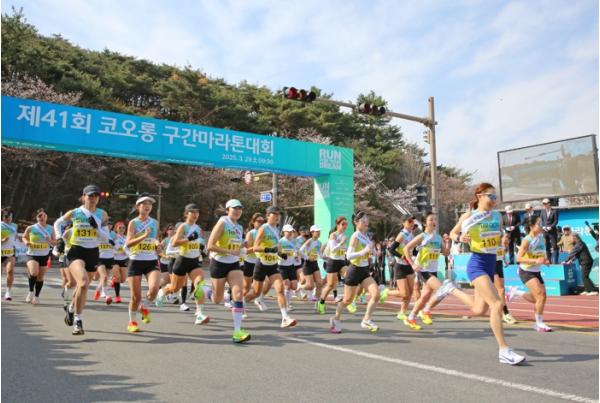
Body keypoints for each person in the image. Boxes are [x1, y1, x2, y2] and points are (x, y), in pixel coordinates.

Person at [438, 183, 525, 364]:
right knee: (497, 304)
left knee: (479, 309)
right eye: (491, 196)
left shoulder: (497, 216)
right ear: (480, 196)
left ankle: (450, 289)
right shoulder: (469, 216)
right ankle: (504, 350)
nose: (494, 200)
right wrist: (460, 238)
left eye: (495, 197)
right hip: (477, 264)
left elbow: (499, 236)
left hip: (491, 263)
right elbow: (452, 233)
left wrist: (503, 240)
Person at [53, 185, 110, 335]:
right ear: (84, 197)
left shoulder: (102, 214)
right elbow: (57, 223)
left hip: (93, 253)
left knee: (82, 288)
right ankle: (78, 321)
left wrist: (96, 228)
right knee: (83, 283)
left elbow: (106, 238)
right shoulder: (75, 212)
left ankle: (71, 308)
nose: (93, 199)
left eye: (96, 196)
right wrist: (59, 239)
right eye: (90, 196)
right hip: (76, 251)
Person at [155, 204, 209, 327]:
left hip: (194, 261)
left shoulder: (198, 228)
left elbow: (198, 242)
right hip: (182, 260)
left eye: (197, 212)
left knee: (199, 285)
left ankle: (200, 314)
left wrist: (202, 249)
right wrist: (189, 238)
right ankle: (163, 291)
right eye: (192, 212)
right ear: (186, 214)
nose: (195, 214)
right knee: (174, 288)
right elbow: (174, 243)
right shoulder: (183, 227)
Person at [329, 211, 383, 333]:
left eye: (367, 220)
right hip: (354, 271)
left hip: (364, 271)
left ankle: (366, 319)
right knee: (347, 301)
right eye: (363, 220)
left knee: (376, 294)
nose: (366, 222)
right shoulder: (355, 236)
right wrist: (364, 252)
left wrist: (375, 251)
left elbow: (370, 252)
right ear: (356, 222)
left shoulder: (366, 237)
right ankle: (335, 319)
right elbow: (349, 256)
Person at [206, 199, 251, 343]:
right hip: (218, 263)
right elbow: (210, 245)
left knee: (238, 294)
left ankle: (237, 331)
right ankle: (205, 289)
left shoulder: (239, 227)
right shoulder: (222, 222)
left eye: (240, 208)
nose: (237, 211)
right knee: (217, 299)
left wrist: (242, 246)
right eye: (234, 208)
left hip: (234, 264)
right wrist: (230, 251)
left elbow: (235, 246)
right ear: (227, 210)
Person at [246, 205, 296, 328]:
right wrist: (268, 249)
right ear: (268, 216)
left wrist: (281, 254)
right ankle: (240, 302)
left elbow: (277, 246)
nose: (278, 216)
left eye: (279, 214)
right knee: (256, 292)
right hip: (262, 263)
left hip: (273, 265)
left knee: (280, 289)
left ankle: (285, 318)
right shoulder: (263, 228)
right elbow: (255, 247)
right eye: (275, 214)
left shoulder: (277, 230)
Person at [401, 212, 447, 329]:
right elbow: (406, 249)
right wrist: (412, 264)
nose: (434, 221)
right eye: (431, 220)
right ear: (425, 223)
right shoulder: (422, 236)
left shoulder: (438, 237)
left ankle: (411, 318)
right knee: (443, 289)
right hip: (423, 270)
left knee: (425, 296)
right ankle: (426, 310)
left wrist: (448, 242)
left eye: (435, 219)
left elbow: (446, 253)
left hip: (433, 270)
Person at [508, 215, 553, 332]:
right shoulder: (527, 240)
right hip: (526, 271)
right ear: (532, 226)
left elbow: (540, 254)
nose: (542, 225)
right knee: (541, 296)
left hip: (536, 271)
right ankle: (539, 323)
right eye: (539, 224)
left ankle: (516, 292)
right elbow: (518, 258)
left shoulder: (541, 238)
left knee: (539, 298)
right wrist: (535, 261)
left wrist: (545, 260)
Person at [125, 195, 162, 333]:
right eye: (144, 204)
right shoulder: (133, 223)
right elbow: (128, 243)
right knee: (136, 297)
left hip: (151, 260)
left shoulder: (155, 222)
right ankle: (132, 322)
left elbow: (155, 239)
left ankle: (143, 307)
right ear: (137, 207)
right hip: (136, 260)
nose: (147, 206)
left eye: (150, 204)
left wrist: (158, 245)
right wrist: (144, 236)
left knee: (154, 289)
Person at [386, 215, 416, 322]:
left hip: (409, 265)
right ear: (404, 223)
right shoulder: (402, 234)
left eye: (412, 221)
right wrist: (402, 256)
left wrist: (419, 249)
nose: (412, 223)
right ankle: (386, 292)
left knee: (410, 292)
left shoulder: (411, 234)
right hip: (400, 266)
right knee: (404, 293)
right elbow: (391, 249)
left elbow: (414, 251)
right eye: (409, 221)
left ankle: (402, 313)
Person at [23, 208, 56, 305]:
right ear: (36, 218)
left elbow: (55, 242)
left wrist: (49, 240)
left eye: (44, 216)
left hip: (44, 255)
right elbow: (24, 237)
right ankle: (30, 291)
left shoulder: (51, 228)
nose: (42, 218)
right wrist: (26, 242)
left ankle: (36, 297)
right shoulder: (31, 228)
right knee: (34, 273)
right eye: (39, 216)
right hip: (32, 254)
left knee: (40, 277)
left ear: (46, 217)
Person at [318, 216, 348, 314]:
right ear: (337, 225)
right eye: (343, 224)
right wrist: (341, 243)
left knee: (349, 278)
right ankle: (321, 302)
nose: (345, 226)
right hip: (332, 262)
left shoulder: (344, 236)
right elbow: (333, 249)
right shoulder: (333, 235)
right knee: (330, 285)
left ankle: (349, 300)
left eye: (346, 224)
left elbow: (344, 250)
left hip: (341, 262)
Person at [299, 225, 325, 308]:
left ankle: (317, 303)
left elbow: (320, 254)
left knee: (320, 284)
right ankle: (299, 287)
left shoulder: (319, 243)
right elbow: (300, 251)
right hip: (307, 264)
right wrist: (307, 257)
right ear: (312, 232)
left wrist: (326, 258)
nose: (318, 233)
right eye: (317, 231)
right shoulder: (309, 241)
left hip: (315, 264)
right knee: (310, 286)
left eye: (319, 231)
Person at [243, 213, 264, 310]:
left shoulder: (265, 232)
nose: (261, 223)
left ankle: (258, 300)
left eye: (263, 221)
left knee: (259, 285)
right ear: (253, 222)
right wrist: (260, 248)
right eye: (259, 221)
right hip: (250, 262)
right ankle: (239, 303)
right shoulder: (251, 233)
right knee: (246, 287)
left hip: (261, 262)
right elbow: (247, 250)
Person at [496, 234, 517, 324]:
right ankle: (505, 312)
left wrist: (505, 261)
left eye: (508, 238)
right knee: (500, 290)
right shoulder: (494, 244)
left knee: (501, 290)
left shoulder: (505, 246)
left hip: (499, 265)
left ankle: (501, 312)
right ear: (500, 238)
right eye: (506, 238)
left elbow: (503, 255)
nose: (507, 240)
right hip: (491, 265)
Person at [278, 224, 298, 311]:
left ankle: (287, 302)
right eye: (288, 231)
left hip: (291, 265)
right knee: (287, 285)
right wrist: (281, 256)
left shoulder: (293, 241)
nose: (290, 233)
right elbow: (277, 252)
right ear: (284, 232)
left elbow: (295, 251)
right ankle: (286, 305)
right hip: (282, 266)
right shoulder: (280, 241)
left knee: (294, 286)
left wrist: (295, 255)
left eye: (291, 231)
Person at [94, 221, 114, 305]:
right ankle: (105, 294)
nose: (109, 225)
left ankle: (98, 290)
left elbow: (119, 244)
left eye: (110, 224)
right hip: (99, 258)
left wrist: (114, 243)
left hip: (110, 258)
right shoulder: (99, 232)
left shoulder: (114, 234)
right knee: (102, 276)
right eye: (107, 224)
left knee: (105, 278)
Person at [1, 209, 18, 301]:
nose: (8, 218)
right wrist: (2, 241)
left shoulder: (15, 226)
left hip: (10, 252)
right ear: (2, 217)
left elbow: (14, 236)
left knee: (10, 271)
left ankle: (8, 292)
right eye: (6, 217)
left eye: (10, 217)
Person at [111, 221, 128, 304]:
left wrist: (126, 252)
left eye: (123, 228)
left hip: (124, 259)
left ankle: (113, 280)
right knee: (117, 277)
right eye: (120, 228)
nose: (122, 229)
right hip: (114, 259)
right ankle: (117, 296)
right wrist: (114, 251)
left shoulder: (127, 238)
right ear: (116, 229)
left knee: (123, 280)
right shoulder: (114, 237)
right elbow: (108, 245)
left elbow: (130, 248)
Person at [540, 198, 559, 264]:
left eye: (545, 203)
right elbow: (541, 221)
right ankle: (549, 261)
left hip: (552, 231)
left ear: (549, 203)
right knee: (547, 246)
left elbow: (556, 221)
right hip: (545, 231)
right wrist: (543, 226)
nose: (544, 205)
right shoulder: (542, 211)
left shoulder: (554, 211)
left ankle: (555, 262)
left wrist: (551, 226)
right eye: (543, 204)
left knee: (554, 246)